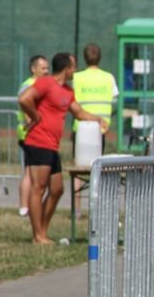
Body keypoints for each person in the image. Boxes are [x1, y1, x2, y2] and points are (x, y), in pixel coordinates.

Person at [18, 52, 106, 244]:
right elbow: (24, 99)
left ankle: (42, 230)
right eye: (73, 67)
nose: (75, 70)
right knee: (38, 188)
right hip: (38, 142)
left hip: (52, 145)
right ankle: (38, 236)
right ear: (66, 69)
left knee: (57, 189)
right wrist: (35, 116)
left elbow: (79, 112)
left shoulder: (67, 90)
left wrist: (98, 119)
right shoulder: (45, 83)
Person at [71, 43, 119, 217]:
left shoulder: (77, 78)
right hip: (101, 128)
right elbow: (114, 97)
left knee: (78, 169)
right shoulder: (108, 78)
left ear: (84, 58)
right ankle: (96, 207)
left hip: (81, 127)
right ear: (100, 57)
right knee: (98, 167)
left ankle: (77, 209)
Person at [15, 54, 49, 217]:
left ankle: (27, 206)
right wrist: (33, 124)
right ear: (33, 69)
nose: (46, 71)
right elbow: (26, 109)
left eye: (47, 68)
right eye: (43, 68)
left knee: (33, 171)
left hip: (37, 133)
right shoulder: (28, 85)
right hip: (29, 133)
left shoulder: (42, 84)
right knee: (29, 171)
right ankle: (24, 206)